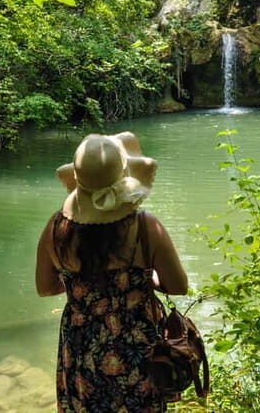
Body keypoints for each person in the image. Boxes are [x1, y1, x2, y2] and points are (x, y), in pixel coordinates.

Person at [35, 131, 188, 412]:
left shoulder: (56, 229)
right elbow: (178, 285)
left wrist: (78, 285)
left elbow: (45, 287)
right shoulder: (145, 228)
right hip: (138, 346)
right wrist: (147, 279)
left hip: (82, 347)